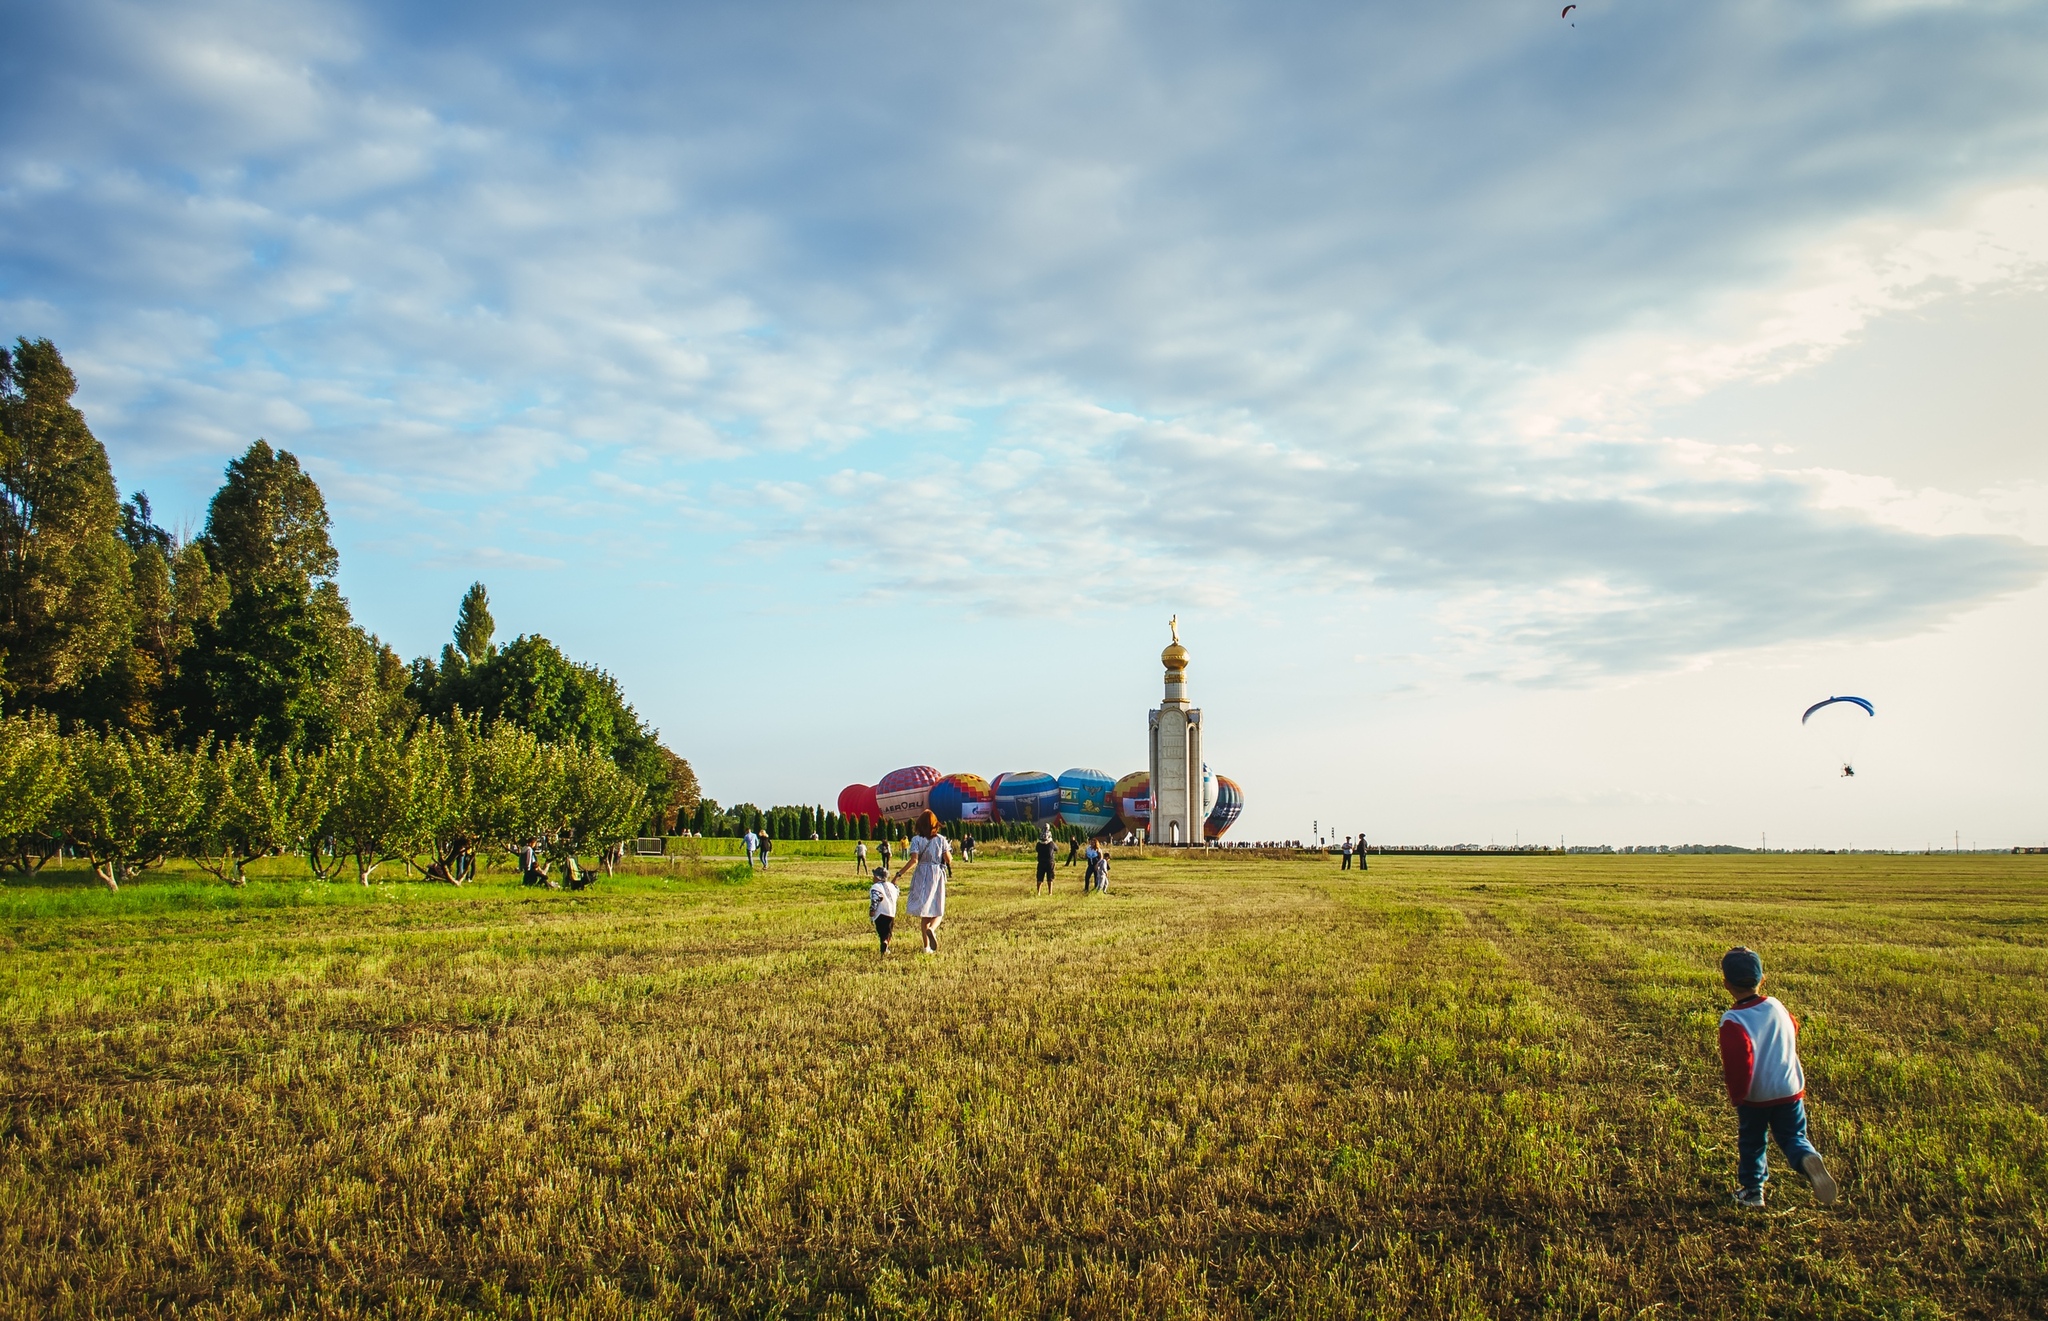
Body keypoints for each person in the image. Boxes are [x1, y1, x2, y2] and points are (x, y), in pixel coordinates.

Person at [1718, 946, 1838, 1209]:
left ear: (1726, 984)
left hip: (1757, 1094)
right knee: (1793, 1135)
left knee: (1753, 1142)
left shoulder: (1733, 1020)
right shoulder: (1777, 1006)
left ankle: (1752, 1192)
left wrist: (1737, 1094)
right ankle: (1807, 1157)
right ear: (1763, 979)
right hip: (1789, 1088)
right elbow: (1793, 1027)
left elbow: (1740, 1060)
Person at [893, 810, 951, 953]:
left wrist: (898, 874)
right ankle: (932, 928)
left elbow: (914, 860)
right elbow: (948, 859)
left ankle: (926, 947)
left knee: (925, 912)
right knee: (938, 910)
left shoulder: (916, 840)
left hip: (921, 874)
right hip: (936, 873)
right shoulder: (941, 839)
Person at [868, 866, 899, 956]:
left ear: (877, 877)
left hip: (880, 913)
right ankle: (886, 944)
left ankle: (884, 943)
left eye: (874, 876)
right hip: (891, 913)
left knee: (881, 931)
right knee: (888, 932)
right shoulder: (892, 886)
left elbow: (875, 899)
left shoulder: (876, 887)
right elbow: (897, 893)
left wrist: (872, 910)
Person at [1035, 826, 1056, 894]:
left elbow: (1037, 849)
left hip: (1041, 862)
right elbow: (1056, 849)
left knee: (1039, 877)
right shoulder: (1051, 844)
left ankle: (1038, 892)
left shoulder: (1039, 844)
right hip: (1050, 862)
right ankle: (1050, 892)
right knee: (1050, 878)